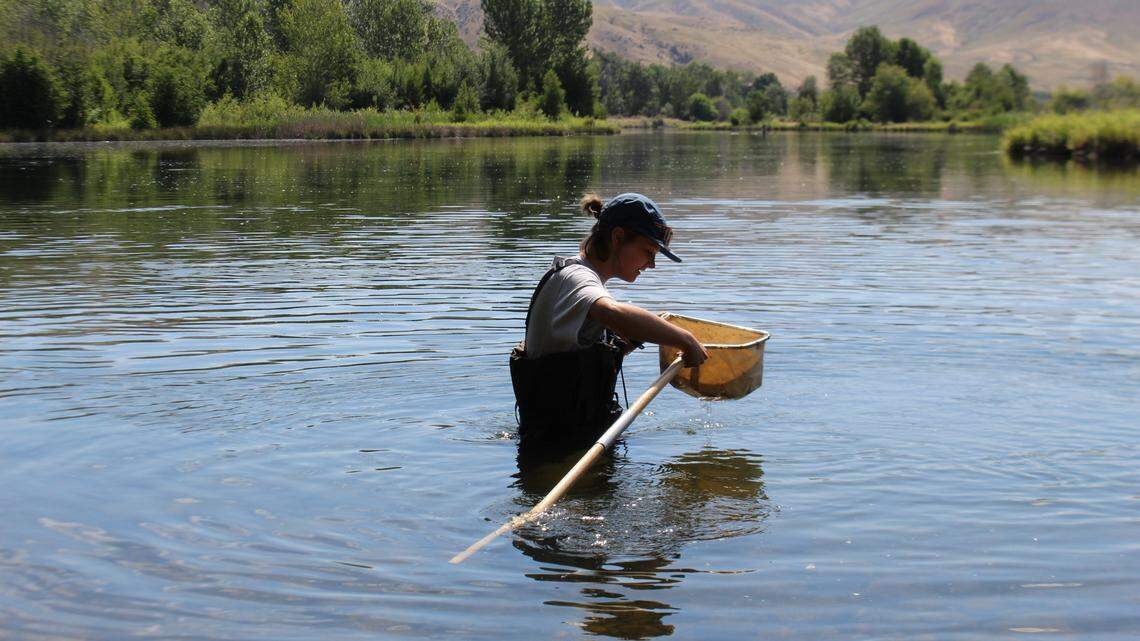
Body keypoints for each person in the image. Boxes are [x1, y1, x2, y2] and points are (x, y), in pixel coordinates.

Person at [509, 192, 709, 451]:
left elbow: (579, 363)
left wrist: (637, 338)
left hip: (580, 440)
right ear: (617, 238)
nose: (652, 265)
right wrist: (685, 339)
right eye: (648, 252)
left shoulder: (584, 278)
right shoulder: (576, 278)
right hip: (556, 449)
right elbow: (612, 312)